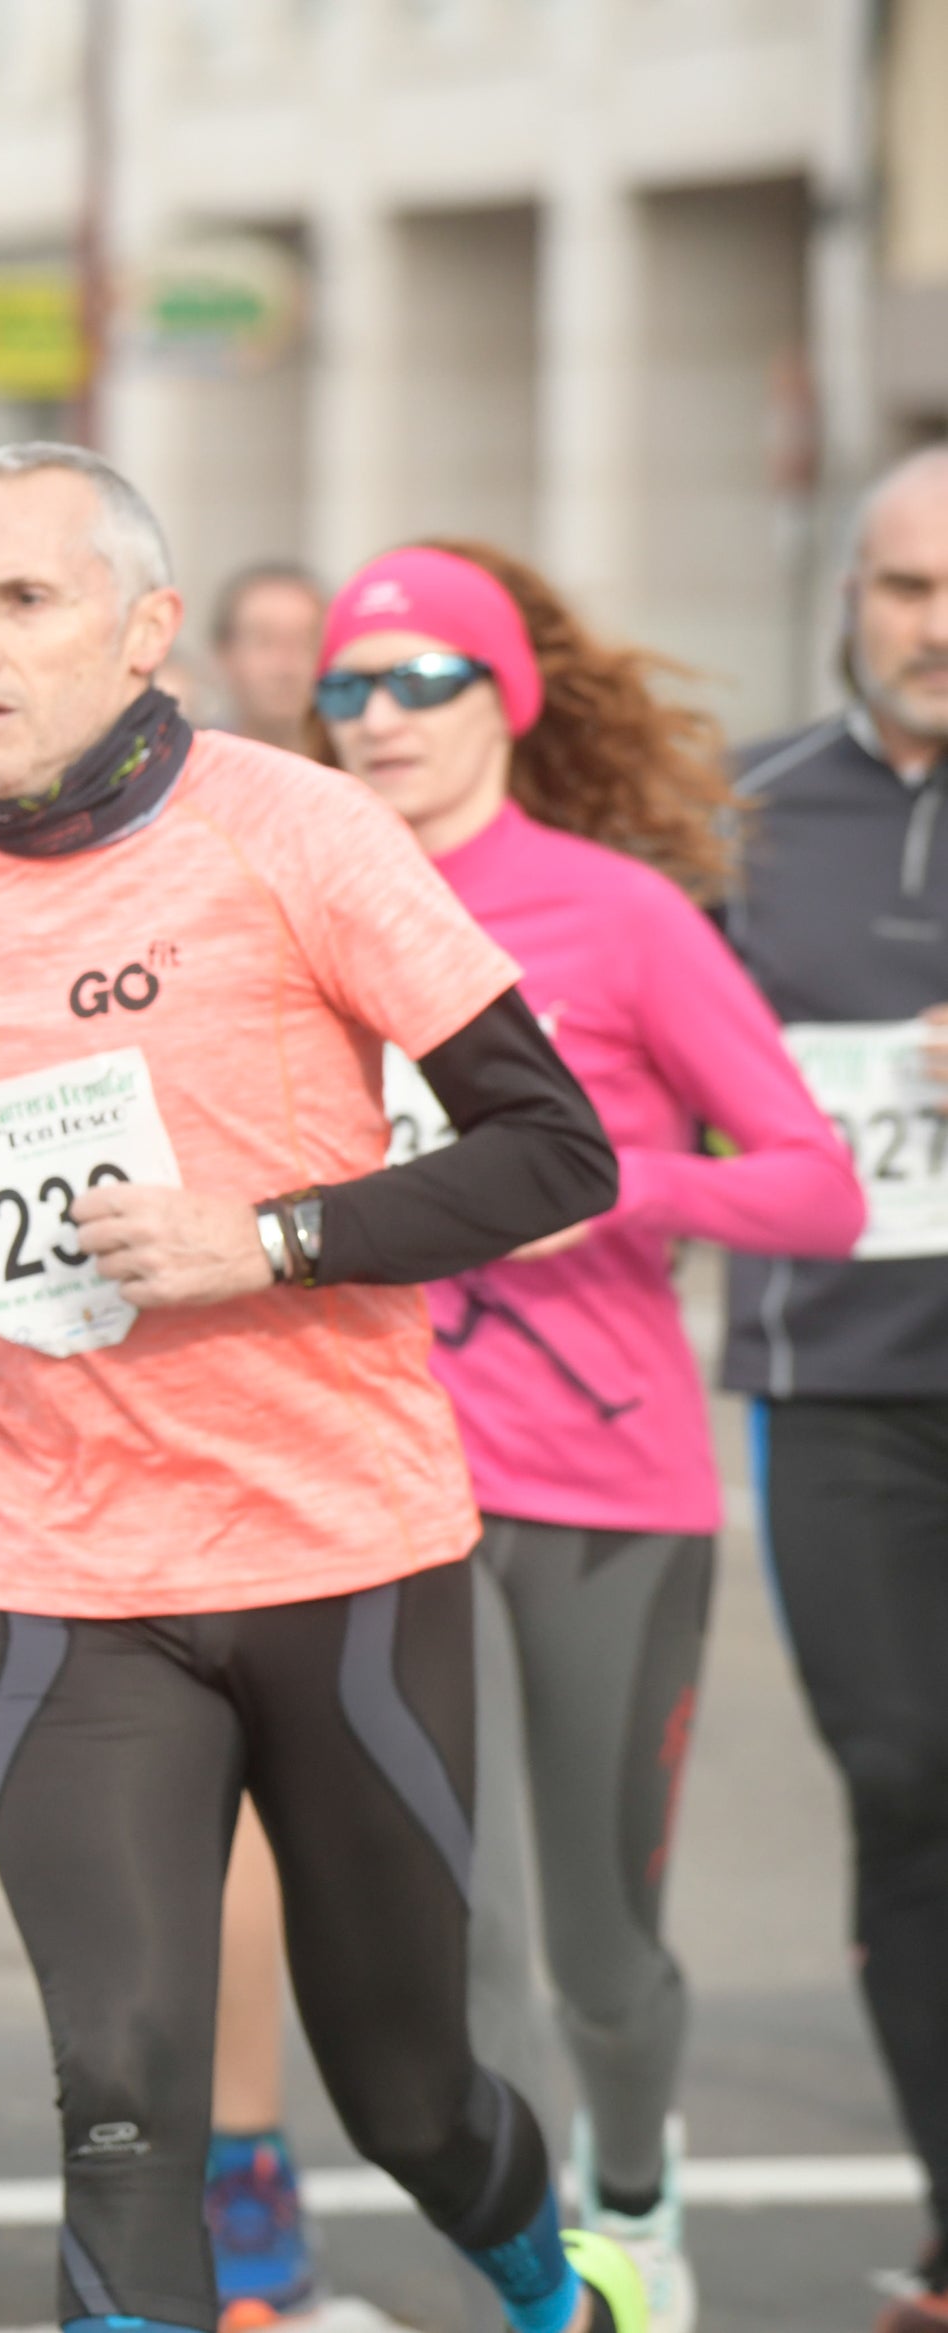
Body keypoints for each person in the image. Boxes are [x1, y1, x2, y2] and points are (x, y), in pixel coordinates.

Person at [0, 442, 644, 2333]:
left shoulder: (299, 831)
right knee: (122, 2089)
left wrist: (266, 1237)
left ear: (146, 630)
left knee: (409, 2091)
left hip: (338, 1548)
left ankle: (558, 2294)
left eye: (23, 600)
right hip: (57, 1562)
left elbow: (554, 1150)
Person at [294, 539, 858, 2330]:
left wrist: (596, 1192)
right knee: (466, 1944)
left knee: (605, 1951)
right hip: (387, 1487)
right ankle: (556, 2274)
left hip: (612, 1488)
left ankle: (637, 2184)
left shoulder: (620, 915)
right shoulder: (302, 905)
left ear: (506, 700)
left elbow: (817, 1185)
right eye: (349, 686)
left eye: (419, 682)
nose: (377, 718)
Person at [722, 443, 948, 2333]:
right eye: (907, 588)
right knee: (903, 1778)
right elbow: (633, 1090)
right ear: (850, 599)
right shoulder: (749, 818)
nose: (939, 625)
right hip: (840, 1381)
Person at [207, 561, 328, 759]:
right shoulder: (183, 773)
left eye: (306, 642)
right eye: (265, 642)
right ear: (223, 654)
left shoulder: (361, 772)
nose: (285, 666)